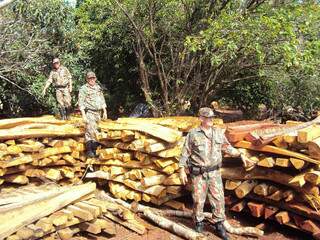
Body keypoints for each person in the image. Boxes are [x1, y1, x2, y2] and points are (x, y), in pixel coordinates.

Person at [179, 107, 248, 240]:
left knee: (218, 200)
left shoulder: (218, 133)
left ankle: (219, 225)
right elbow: (185, 152)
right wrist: (181, 169)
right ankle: (199, 223)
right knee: (198, 200)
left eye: (211, 117)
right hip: (198, 174)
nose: (210, 119)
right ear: (201, 118)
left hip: (215, 173)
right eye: (207, 117)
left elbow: (227, 147)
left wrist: (240, 154)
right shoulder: (193, 134)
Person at [78, 71, 107, 157]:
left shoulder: (98, 88)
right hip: (89, 112)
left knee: (97, 130)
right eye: (90, 78)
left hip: (98, 113)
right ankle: (89, 151)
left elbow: (102, 99)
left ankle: (95, 150)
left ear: (95, 78)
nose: (92, 80)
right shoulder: (84, 89)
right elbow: (81, 102)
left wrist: (105, 111)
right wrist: (83, 115)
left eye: (93, 78)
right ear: (87, 79)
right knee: (90, 131)